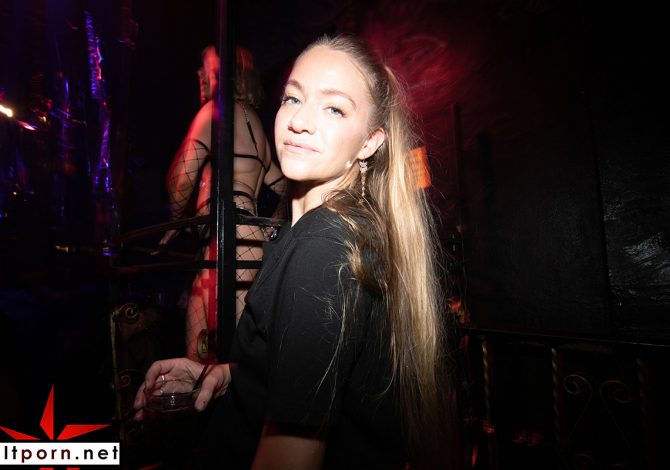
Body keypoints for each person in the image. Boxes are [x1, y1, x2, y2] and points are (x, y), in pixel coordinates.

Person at [136, 34, 453, 469]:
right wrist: (225, 375)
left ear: (369, 142)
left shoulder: (321, 249)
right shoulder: (332, 231)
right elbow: (304, 371)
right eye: (293, 98)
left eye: (334, 108)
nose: (299, 121)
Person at [161, 45, 286, 362]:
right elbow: (285, 187)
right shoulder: (254, 124)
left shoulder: (214, 113)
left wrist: (174, 221)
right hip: (236, 239)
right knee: (208, 357)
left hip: (229, 239)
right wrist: (269, 227)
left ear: (230, 75)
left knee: (227, 361)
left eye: (209, 70)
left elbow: (181, 182)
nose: (200, 75)